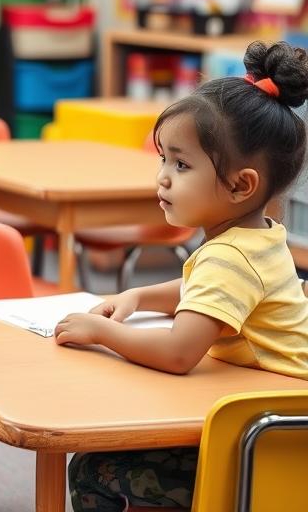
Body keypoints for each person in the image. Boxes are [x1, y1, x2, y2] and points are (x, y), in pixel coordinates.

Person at [54, 40, 308, 511]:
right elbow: (207, 295)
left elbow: (177, 354)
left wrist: (102, 331)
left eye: (182, 164)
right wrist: (138, 296)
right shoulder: (259, 238)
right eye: (163, 159)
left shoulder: (230, 256)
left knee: (93, 468)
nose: (163, 178)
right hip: (279, 423)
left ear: (240, 184)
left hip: (272, 444)